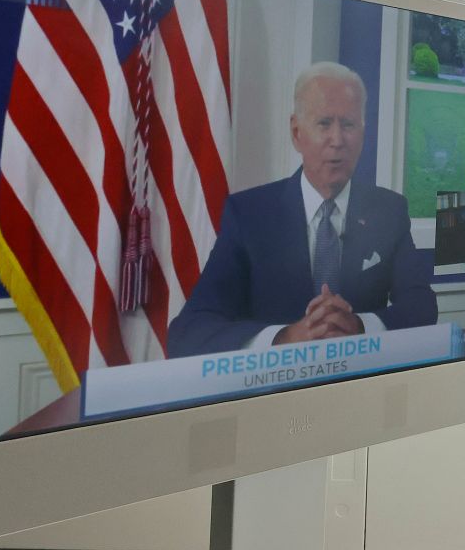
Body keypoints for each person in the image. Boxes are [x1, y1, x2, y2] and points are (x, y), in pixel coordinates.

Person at [168, 61, 436, 357]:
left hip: (362, 387)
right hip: (277, 395)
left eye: (348, 125)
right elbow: (189, 332)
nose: (337, 141)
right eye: (324, 124)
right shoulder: (249, 215)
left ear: (362, 133)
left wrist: (360, 327)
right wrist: (284, 338)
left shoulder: (389, 210)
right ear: (297, 133)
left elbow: (421, 307)